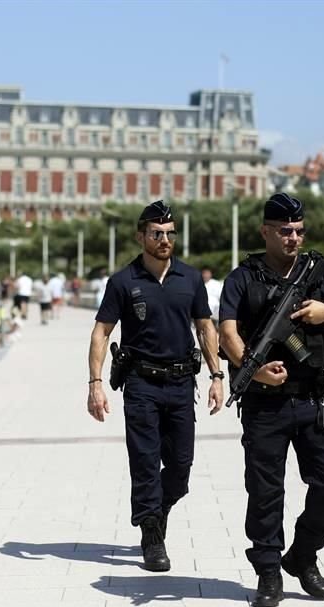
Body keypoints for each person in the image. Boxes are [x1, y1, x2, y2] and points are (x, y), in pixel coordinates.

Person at [219, 193, 324, 607]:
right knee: (265, 492)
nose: (293, 237)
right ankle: (267, 571)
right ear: (266, 231)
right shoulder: (242, 279)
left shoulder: (319, 277)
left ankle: (302, 556)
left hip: (316, 401)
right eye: (285, 231)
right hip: (266, 405)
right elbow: (228, 335)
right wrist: (254, 369)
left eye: (299, 231)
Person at [87, 200, 223, 573]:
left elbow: (205, 327)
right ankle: (151, 535)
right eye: (156, 234)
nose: (164, 240)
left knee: (180, 467)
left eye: (169, 234)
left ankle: (155, 511)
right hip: (141, 384)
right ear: (141, 236)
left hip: (182, 384)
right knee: (145, 461)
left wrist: (216, 376)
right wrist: (95, 384)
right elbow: (101, 332)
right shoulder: (123, 281)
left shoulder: (191, 279)